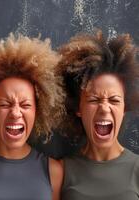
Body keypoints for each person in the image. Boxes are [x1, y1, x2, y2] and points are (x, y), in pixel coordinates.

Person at [0, 34, 65, 200]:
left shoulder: (54, 171)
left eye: (25, 105)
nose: (16, 113)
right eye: (5, 104)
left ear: (38, 111)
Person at [58, 31, 139, 200]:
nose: (104, 108)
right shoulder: (60, 170)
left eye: (114, 100)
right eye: (94, 99)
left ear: (125, 108)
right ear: (78, 108)